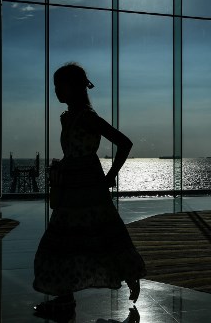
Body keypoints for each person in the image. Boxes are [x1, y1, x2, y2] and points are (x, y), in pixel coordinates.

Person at [33, 62, 146, 321]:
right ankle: (66, 299)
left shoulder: (86, 117)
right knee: (79, 239)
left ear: (72, 87)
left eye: (58, 85)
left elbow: (124, 142)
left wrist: (110, 176)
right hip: (76, 185)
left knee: (80, 239)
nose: (55, 91)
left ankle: (67, 300)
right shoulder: (73, 116)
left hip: (87, 187)